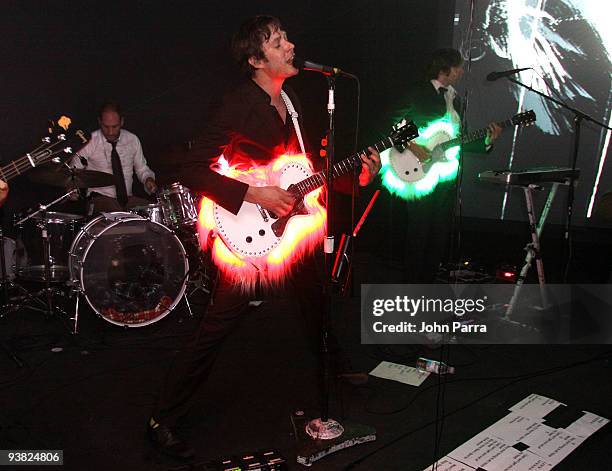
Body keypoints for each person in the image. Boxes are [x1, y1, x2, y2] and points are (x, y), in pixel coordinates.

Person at [146, 15, 381, 459]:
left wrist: (357, 178)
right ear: (256, 60)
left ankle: (337, 368)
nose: (290, 45)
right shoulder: (238, 103)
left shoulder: (288, 103)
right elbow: (192, 169)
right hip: (248, 235)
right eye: (277, 42)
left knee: (316, 300)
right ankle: (164, 416)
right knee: (216, 326)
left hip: (288, 232)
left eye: (286, 37)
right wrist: (255, 192)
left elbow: (306, 175)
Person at [393, 48, 502, 283]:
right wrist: (413, 146)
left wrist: (486, 142)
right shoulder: (417, 91)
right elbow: (392, 124)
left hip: (445, 177)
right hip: (418, 175)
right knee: (418, 235)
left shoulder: (456, 99)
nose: (462, 71)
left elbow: (457, 141)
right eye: (458, 67)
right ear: (444, 69)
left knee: (438, 237)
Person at [70, 102, 157, 214]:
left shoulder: (132, 140)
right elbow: (73, 171)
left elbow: (142, 169)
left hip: (127, 199)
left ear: (122, 122)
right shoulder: (90, 142)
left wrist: (148, 179)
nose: (110, 132)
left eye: (115, 127)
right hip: (99, 199)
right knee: (118, 216)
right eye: (106, 127)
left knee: (155, 212)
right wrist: (72, 188)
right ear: (99, 122)